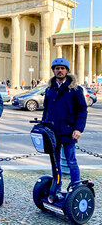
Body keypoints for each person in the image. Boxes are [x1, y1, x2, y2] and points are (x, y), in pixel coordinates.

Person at [42, 58, 87, 191]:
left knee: (71, 162)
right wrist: (44, 126)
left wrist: (78, 129)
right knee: (55, 163)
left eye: (62, 68)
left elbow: (82, 110)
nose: (59, 70)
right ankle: (56, 187)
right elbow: (46, 110)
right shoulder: (50, 89)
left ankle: (75, 188)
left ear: (67, 70)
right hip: (52, 132)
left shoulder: (75, 89)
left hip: (69, 131)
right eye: (57, 68)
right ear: (53, 70)